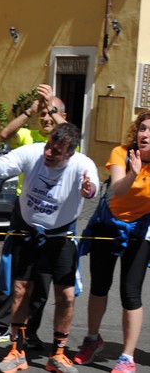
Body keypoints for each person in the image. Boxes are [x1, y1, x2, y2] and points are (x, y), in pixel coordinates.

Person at [0, 123, 99, 373]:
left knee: (66, 296)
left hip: (61, 236)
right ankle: (16, 352)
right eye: (49, 145)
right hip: (28, 231)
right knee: (20, 290)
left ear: (69, 154)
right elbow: (6, 163)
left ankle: (58, 355)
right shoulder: (34, 152)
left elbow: (91, 185)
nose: (49, 153)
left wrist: (89, 189)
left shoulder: (82, 164)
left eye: (57, 151)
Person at [0, 84, 68, 348]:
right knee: (12, 273)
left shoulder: (67, 142)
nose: (47, 120)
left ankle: (30, 331)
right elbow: (5, 133)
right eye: (44, 117)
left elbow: (68, 132)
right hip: (24, 212)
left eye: (52, 116)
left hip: (54, 216)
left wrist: (52, 104)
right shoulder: (29, 136)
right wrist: (31, 110)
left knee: (42, 278)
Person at [74, 111, 150, 373]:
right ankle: (92, 339)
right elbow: (118, 189)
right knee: (99, 286)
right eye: (142, 129)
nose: (145, 134)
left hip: (140, 230)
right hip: (109, 224)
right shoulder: (122, 153)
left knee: (131, 293)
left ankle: (127, 356)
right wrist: (134, 173)